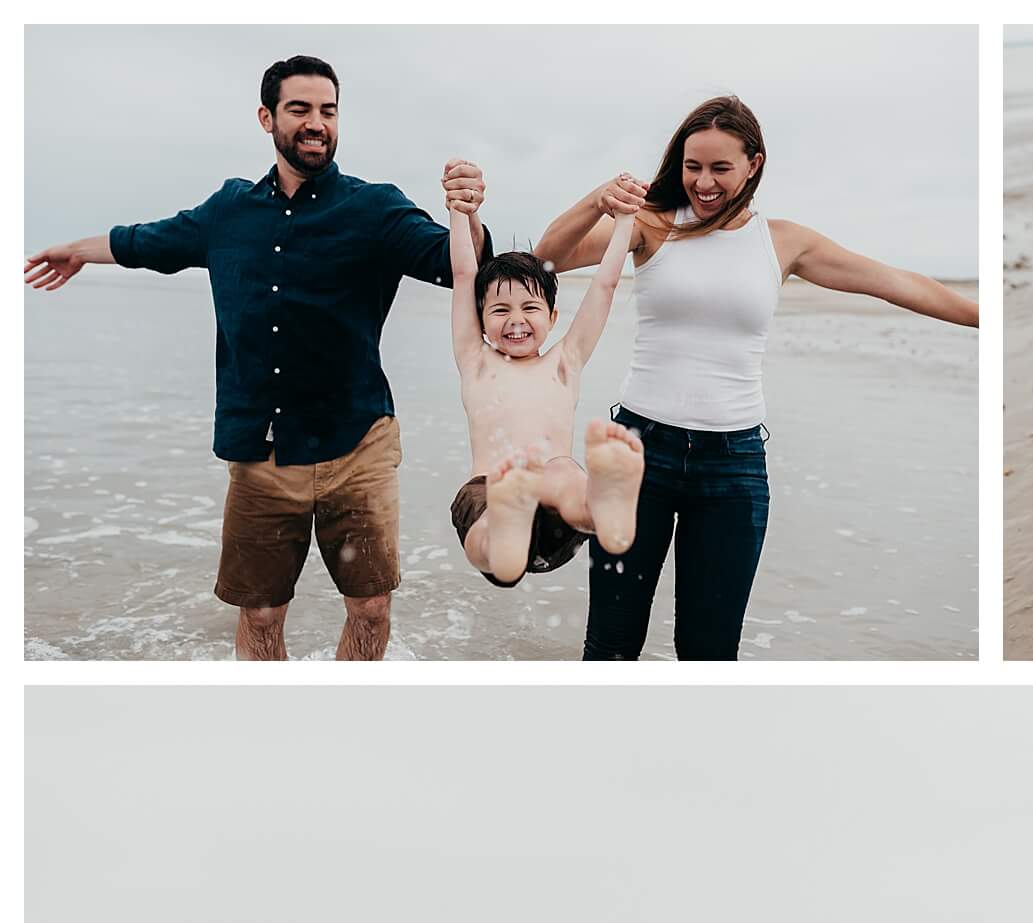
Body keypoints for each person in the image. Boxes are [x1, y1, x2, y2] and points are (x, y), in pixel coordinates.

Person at [22, 56, 492, 661]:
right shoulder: (229, 211)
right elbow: (148, 241)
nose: (316, 123)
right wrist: (77, 250)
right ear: (268, 117)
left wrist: (468, 214)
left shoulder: (374, 209)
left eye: (327, 110)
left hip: (358, 444)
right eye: (300, 109)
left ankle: (350, 724)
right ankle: (270, 724)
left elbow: (455, 265)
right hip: (261, 450)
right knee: (263, 614)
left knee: (371, 607)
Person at [532, 96, 979, 662]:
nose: (703, 182)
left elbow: (895, 282)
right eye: (693, 166)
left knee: (711, 653)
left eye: (721, 167)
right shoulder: (653, 225)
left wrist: (985, 318)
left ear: (754, 164)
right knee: (611, 647)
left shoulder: (784, 242)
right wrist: (598, 200)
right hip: (638, 455)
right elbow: (546, 258)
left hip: (733, 467)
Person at [444, 177, 644, 588]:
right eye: (500, 310)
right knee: (485, 530)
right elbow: (465, 274)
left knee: (563, 473)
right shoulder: (476, 361)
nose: (516, 320)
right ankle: (506, 528)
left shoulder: (564, 363)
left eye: (530, 308)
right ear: (479, 320)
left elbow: (605, 286)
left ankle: (602, 506)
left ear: (553, 318)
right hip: (490, 492)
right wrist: (459, 211)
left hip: (557, 510)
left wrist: (625, 220)